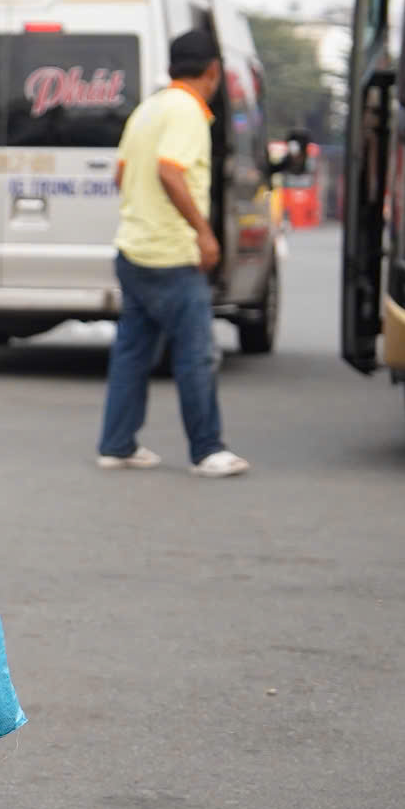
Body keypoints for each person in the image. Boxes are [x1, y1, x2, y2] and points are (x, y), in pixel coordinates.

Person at [95, 27, 251, 478]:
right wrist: (203, 232)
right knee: (196, 354)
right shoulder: (188, 111)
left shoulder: (148, 109)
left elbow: (121, 175)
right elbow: (169, 171)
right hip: (169, 255)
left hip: (133, 250)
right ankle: (207, 450)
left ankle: (117, 444)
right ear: (213, 71)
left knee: (132, 353)